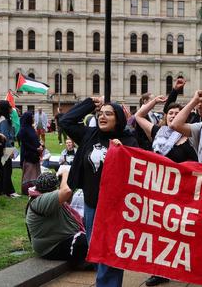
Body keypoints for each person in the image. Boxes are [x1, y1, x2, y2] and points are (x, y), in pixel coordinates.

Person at [62, 97, 139, 287]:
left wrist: (124, 154)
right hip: (92, 204)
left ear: (118, 118)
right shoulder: (89, 134)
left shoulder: (129, 140)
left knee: (110, 252)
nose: (102, 116)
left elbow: (139, 170)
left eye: (109, 113)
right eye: (100, 113)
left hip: (116, 207)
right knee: (97, 251)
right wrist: (90, 103)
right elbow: (66, 121)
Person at [134, 96, 197, 286]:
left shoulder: (190, 138)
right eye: (170, 113)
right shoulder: (157, 132)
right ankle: (159, 272)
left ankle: (187, 267)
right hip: (159, 192)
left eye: (178, 114)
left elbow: (196, 166)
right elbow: (138, 115)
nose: (173, 116)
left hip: (182, 193)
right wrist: (154, 100)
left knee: (182, 234)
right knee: (159, 233)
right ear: (165, 116)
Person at [26, 171, 89, 270]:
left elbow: (68, 195)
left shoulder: (42, 196)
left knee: (93, 227)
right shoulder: (40, 200)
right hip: (51, 247)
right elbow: (66, 192)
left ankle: (89, 260)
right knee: (85, 243)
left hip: (63, 238)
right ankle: (85, 262)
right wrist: (65, 174)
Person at [18, 112, 42, 195]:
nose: (33, 119)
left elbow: (35, 140)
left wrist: (40, 146)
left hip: (35, 154)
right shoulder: (23, 130)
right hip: (28, 155)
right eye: (32, 117)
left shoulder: (31, 128)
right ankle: (26, 190)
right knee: (29, 173)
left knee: (35, 172)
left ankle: (35, 188)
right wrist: (36, 149)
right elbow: (26, 144)